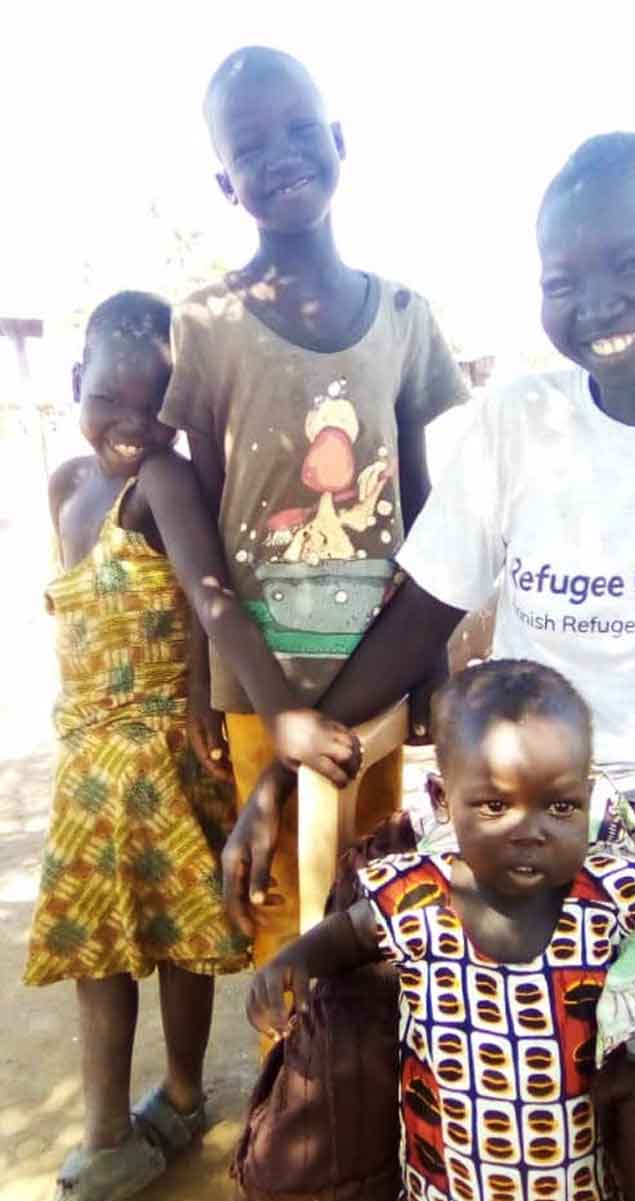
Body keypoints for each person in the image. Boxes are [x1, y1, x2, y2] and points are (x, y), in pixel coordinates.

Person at [224, 131, 635, 938]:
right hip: (508, 807)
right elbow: (422, 611)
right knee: (351, 1021)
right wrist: (282, 777)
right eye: (563, 281)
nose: (597, 304)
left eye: (634, 265)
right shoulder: (519, 424)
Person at [24, 290, 360, 1201]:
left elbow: (211, 592)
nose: (131, 425)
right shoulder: (63, 485)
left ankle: (140, 1117)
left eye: (153, 406)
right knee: (120, 937)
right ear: (73, 383)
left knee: (160, 937)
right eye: (109, 401)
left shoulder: (164, 481)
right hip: (91, 750)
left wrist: (219, 698)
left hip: (164, 752)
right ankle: (143, 1115)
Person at [159, 46, 468, 972]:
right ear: (225, 183)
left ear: (339, 140)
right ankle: (291, 1104)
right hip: (263, 681)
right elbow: (204, 521)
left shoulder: (405, 316)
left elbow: (421, 505)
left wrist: (435, 668)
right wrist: (204, 679)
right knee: (280, 904)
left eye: (300, 130)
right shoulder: (206, 324)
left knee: (370, 898)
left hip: (372, 669)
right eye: (249, 147)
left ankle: (361, 1099)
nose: (280, 154)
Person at [247, 660, 635, 1201]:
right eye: (495, 806)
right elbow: (345, 938)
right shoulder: (415, 897)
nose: (530, 832)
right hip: (446, 1187)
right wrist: (291, 963)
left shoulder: (609, 887)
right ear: (445, 803)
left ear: (587, 799)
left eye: (560, 806)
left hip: (584, 1186)